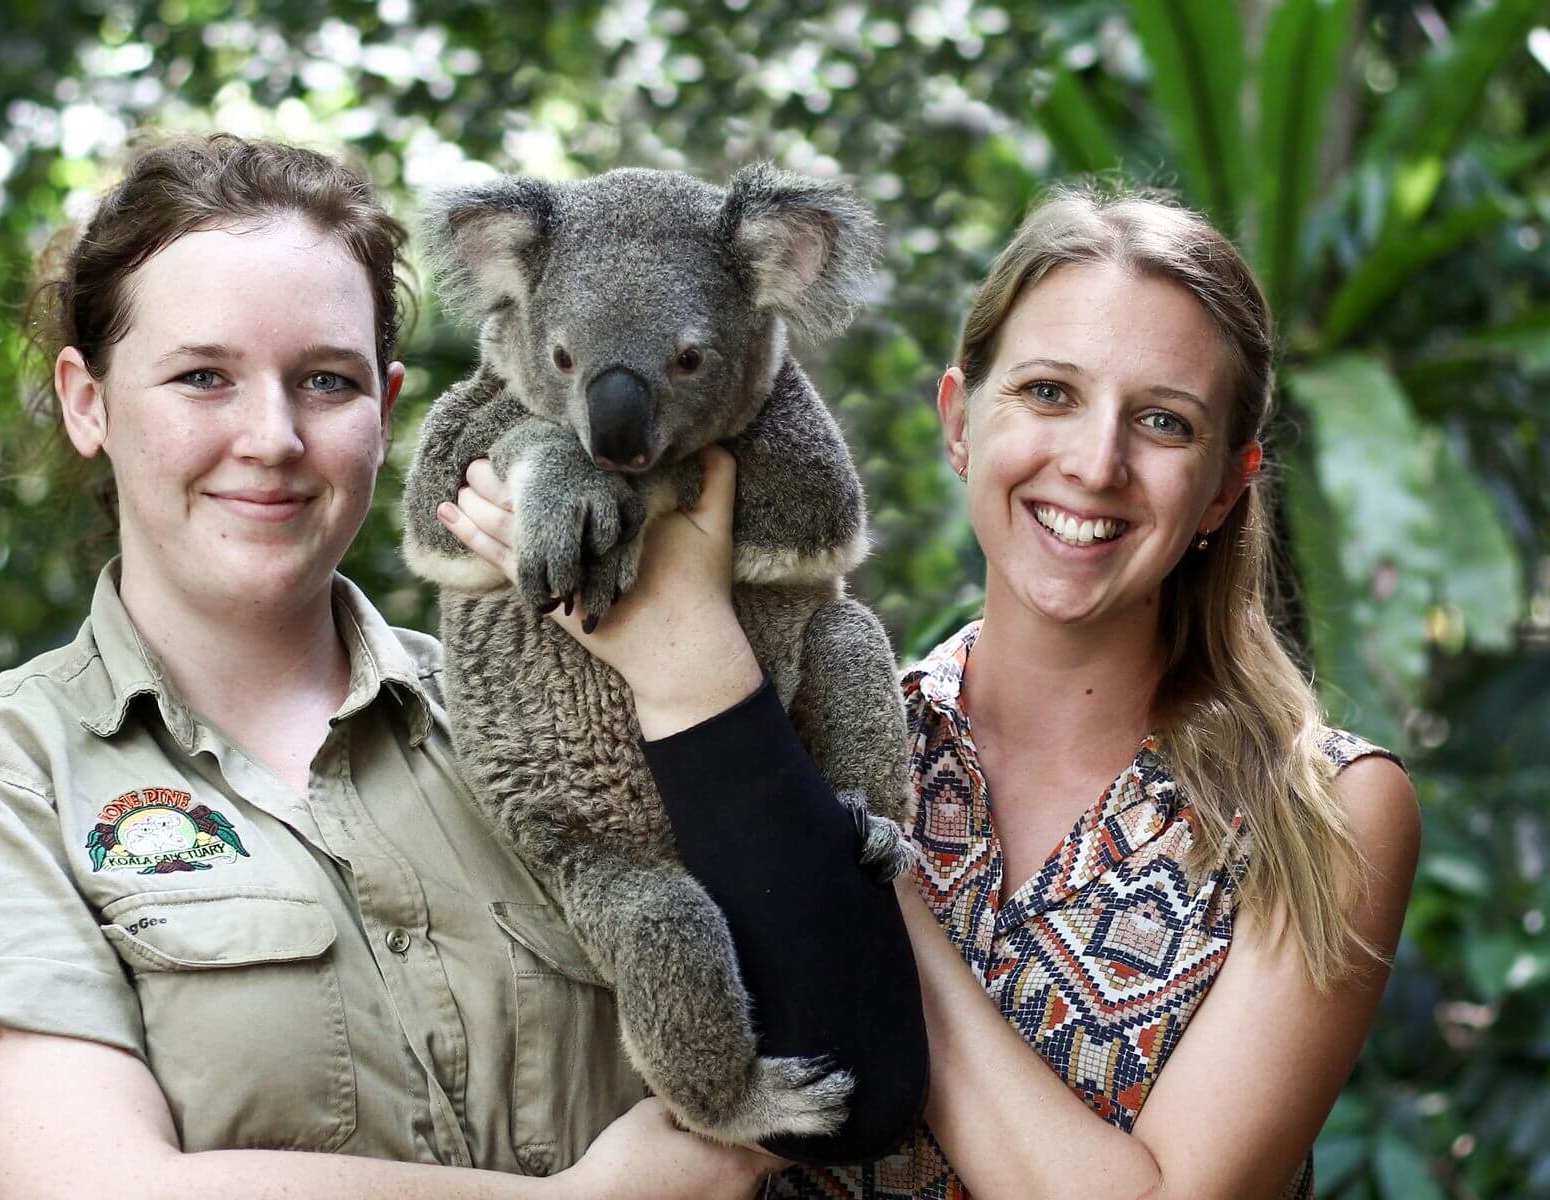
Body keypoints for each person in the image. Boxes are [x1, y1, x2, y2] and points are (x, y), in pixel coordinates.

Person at [442, 185, 1421, 1198]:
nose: (1094, 463)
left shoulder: (1327, 812)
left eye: (1165, 423)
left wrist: (846, 861)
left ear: (1225, 486)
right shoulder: (840, 718)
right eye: (1048, 393)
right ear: (959, 424)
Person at [0, 134, 781, 1199]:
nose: (273, 436)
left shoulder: (565, 707)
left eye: (326, 382)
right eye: (203, 376)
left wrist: (696, 670)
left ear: (386, 411)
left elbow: (824, 1044)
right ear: (87, 401)